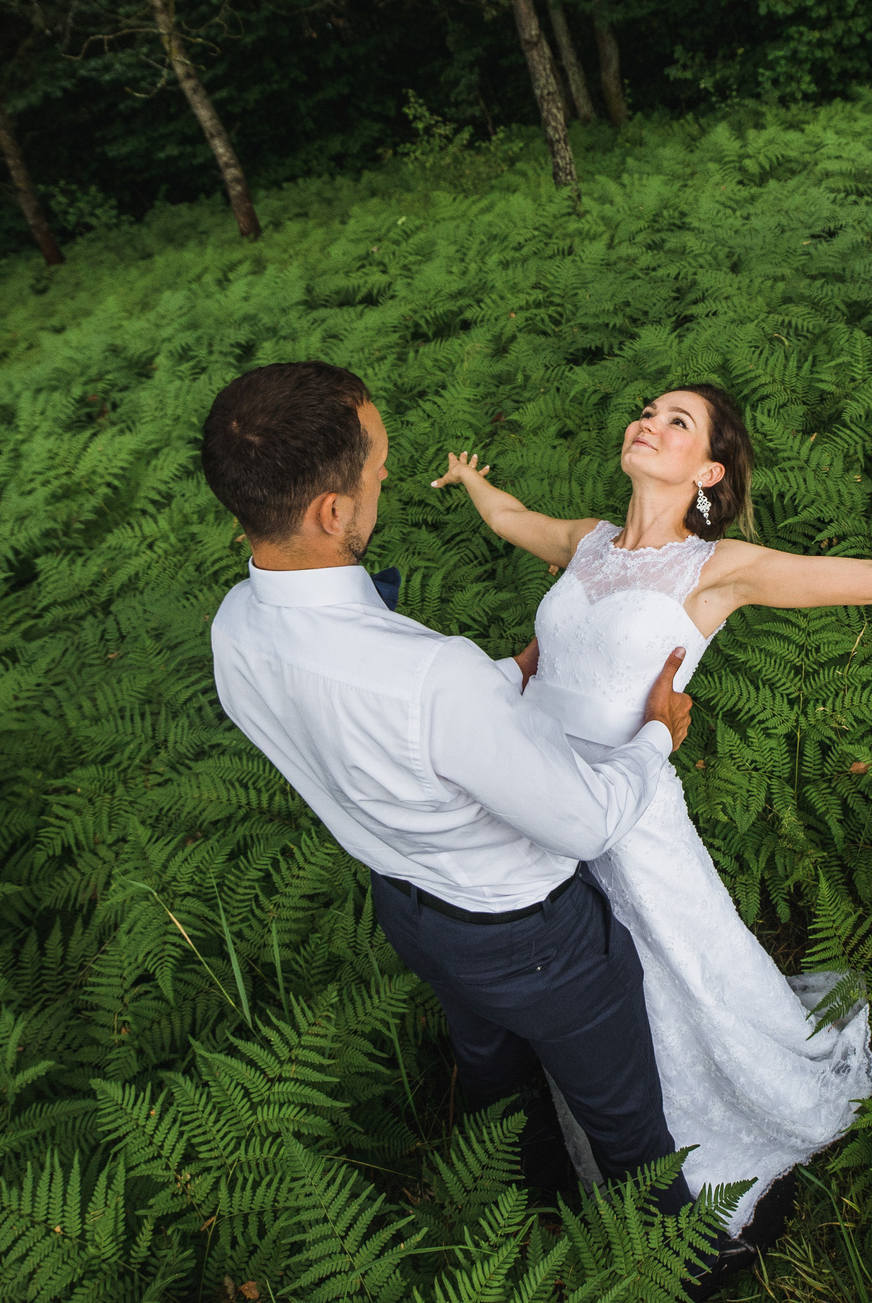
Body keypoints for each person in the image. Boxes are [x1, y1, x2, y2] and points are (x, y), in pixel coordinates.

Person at [432, 383, 872, 1234]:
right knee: (571, 975)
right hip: (537, 796)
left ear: (709, 470)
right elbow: (514, 515)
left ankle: (692, 1146)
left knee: (668, 974)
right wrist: (471, 479)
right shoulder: (586, 542)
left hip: (629, 816)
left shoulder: (717, 569)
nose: (648, 422)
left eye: (677, 421)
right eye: (647, 409)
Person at [199, 362, 756, 1281]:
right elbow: (584, 821)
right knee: (623, 1115)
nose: (383, 474)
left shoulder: (234, 628)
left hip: (411, 911)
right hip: (533, 937)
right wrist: (656, 735)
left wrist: (503, 685)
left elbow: (365, 732)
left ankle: (528, 1198)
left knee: (494, 1072)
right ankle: (689, 1262)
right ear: (332, 512)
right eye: (376, 464)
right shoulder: (431, 677)